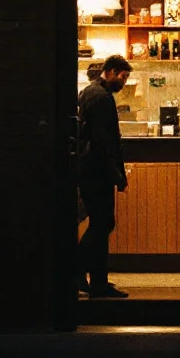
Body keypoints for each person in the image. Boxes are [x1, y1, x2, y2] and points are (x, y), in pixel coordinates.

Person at [76, 54, 131, 299]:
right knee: (102, 223)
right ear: (109, 71)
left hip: (89, 169)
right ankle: (83, 273)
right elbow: (103, 141)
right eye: (122, 75)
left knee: (101, 223)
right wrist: (116, 174)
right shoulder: (101, 99)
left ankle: (92, 279)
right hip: (97, 171)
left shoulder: (91, 92)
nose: (124, 81)